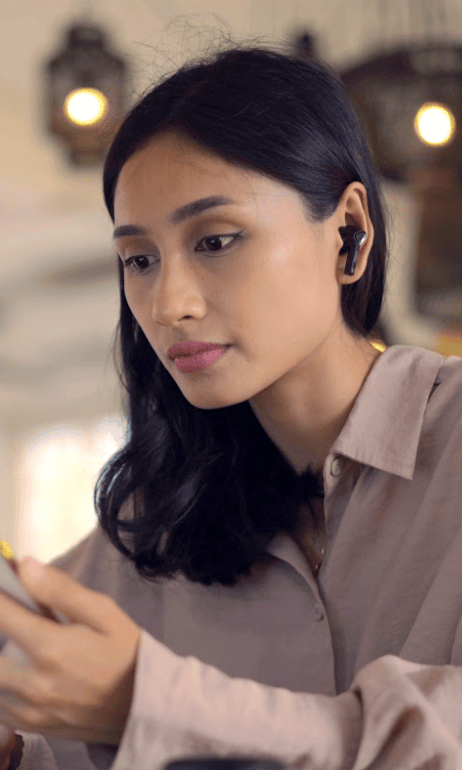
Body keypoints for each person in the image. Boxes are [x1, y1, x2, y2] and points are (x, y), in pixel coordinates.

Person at [1, 36, 462, 770]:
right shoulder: (146, 526)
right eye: (139, 260)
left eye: (216, 241)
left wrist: (150, 705)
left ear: (349, 233)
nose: (168, 304)